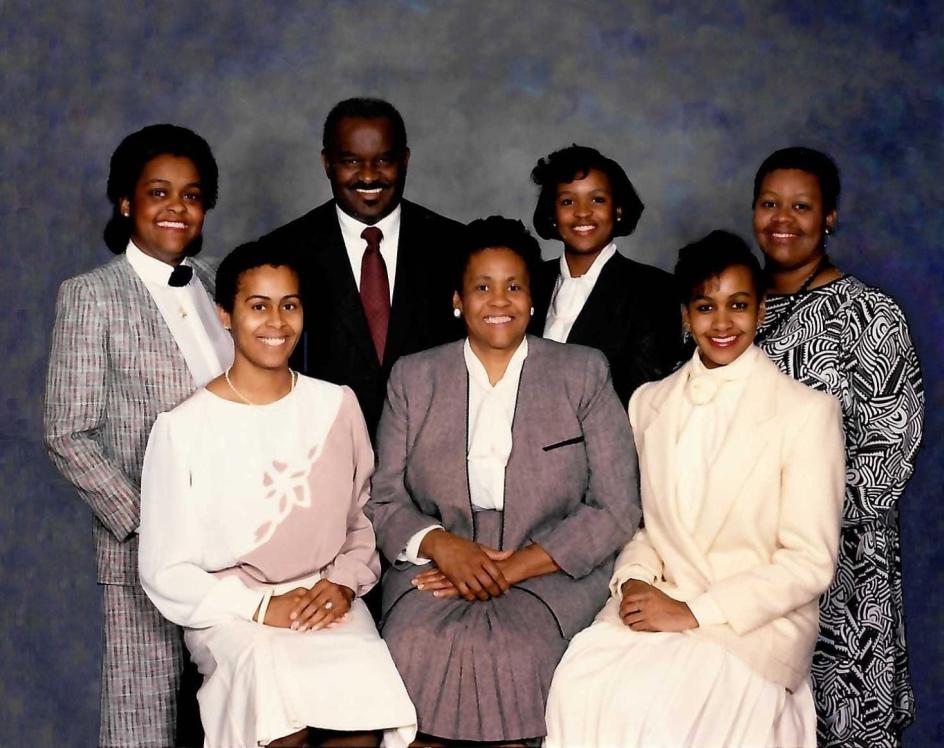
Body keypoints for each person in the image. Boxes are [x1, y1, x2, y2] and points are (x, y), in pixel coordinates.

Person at [545, 230, 845, 748]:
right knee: (581, 683)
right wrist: (635, 580)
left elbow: (810, 561)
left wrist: (693, 613)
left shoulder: (805, 412)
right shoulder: (648, 403)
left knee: (668, 713)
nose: (723, 323)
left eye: (739, 305)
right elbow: (640, 525)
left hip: (751, 625)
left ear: (762, 309)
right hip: (662, 599)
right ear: (685, 314)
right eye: (706, 307)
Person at [366, 216, 641, 745]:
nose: (499, 300)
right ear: (457, 300)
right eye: (482, 287)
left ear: (533, 299)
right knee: (416, 641)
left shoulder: (581, 372)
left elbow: (615, 506)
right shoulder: (414, 377)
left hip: (550, 567)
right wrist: (444, 547)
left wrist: (513, 568)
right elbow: (385, 498)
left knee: (521, 650)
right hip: (435, 566)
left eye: (514, 286)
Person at [138, 242, 417, 748]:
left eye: (290, 304)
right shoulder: (182, 429)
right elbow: (165, 569)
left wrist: (344, 586)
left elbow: (362, 521)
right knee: (278, 717)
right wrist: (261, 608)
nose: (277, 321)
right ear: (225, 314)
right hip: (233, 611)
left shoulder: (337, 406)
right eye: (258, 305)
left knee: (360, 723)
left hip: (326, 597)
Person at [43, 124, 234, 747]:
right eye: (159, 192)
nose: (177, 207)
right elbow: (68, 432)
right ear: (126, 202)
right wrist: (150, 520)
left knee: (235, 709)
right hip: (142, 549)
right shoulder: (91, 296)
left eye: (192, 194)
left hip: (237, 543)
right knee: (144, 717)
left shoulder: (217, 286)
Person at [751, 147, 924, 747]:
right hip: (740, 568)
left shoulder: (871, 316)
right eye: (770, 203)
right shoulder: (727, 311)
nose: (783, 219)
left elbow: (887, 459)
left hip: (843, 573)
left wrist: (789, 529)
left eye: (802, 206)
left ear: (829, 217)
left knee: (839, 728)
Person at [259, 97, 464, 437]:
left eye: (384, 160)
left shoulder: (456, 247)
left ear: (406, 161)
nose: (368, 176)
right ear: (327, 163)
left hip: (437, 457)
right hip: (319, 457)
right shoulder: (281, 253)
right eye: (351, 161)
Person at [529, 144, 681, 403]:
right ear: (552, 214)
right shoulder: (527, 282)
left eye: (597, 199)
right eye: (568, 201)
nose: (583, 212)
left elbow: (645, 398)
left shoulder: (655, 290)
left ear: (618, 209)